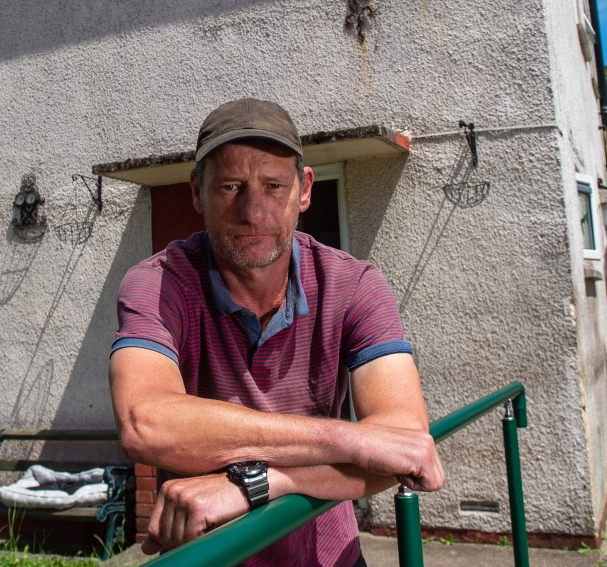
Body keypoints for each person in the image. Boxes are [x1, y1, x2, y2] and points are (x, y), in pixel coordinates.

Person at [109, 98, 444, 567]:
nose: (254, 211)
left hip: (331, 558)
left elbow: (402, 443)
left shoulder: (355, 285)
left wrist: (260, 481)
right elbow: (147, 422)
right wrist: (352, 440)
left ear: (304, 190)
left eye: (273, 186)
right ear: (196, 193)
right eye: (230, 187)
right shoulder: (159, 283)